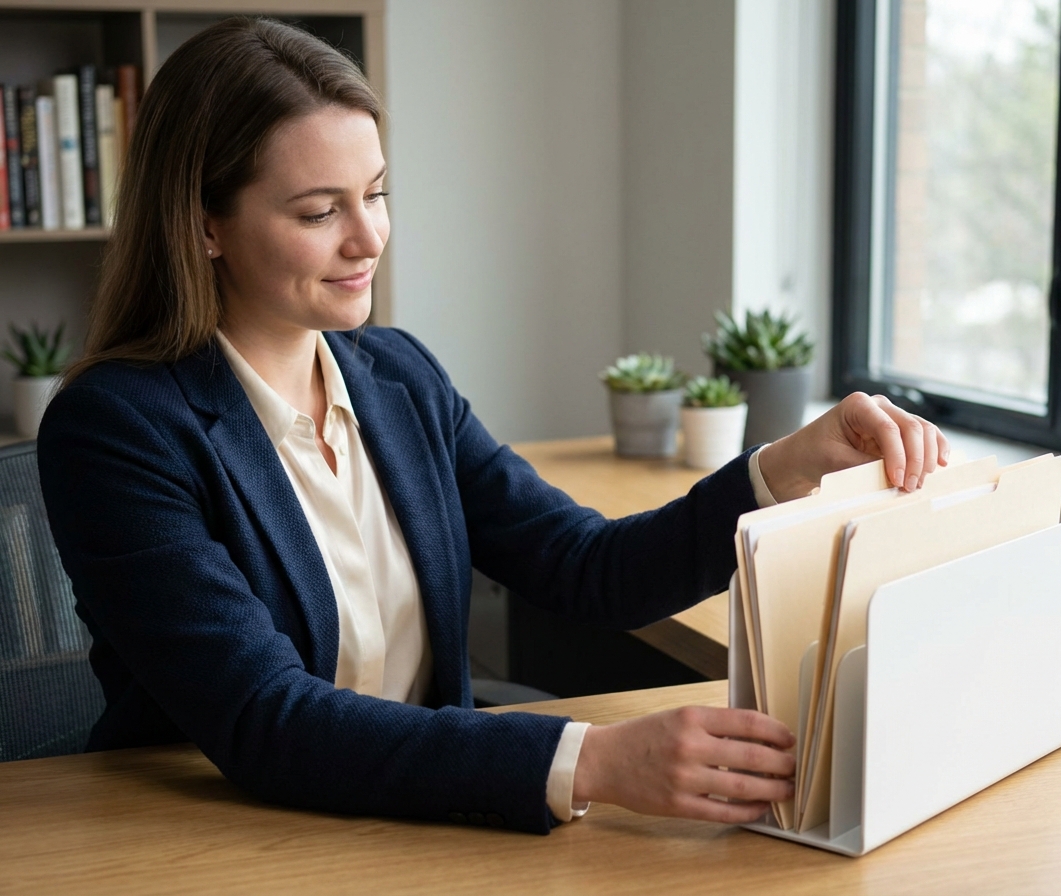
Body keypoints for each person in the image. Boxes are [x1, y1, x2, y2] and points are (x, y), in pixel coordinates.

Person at [38, 18, 949, 835]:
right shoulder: (118, 430)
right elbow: (267, 718)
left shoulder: (398, 377)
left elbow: (585, 567)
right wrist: (592, 759)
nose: (369, 238)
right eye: (320, 211)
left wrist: (779, 470)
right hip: (222, 834)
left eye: (377, 192)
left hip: (424, 812)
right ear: (205, 226)